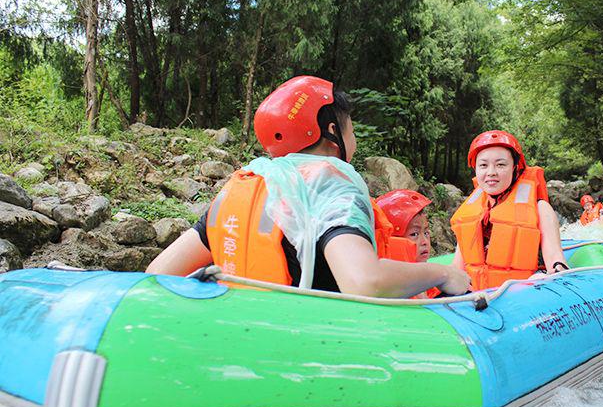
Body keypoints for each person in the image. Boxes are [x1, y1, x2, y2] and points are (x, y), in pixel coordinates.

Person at [146, 76, 470, 298]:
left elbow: (159, 272)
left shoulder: (245, 184)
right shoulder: (331, 185)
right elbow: (363, 282)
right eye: (351, 130)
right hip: (313, 353)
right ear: (331, 131)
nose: (354, 141)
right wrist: (442, 275)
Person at [450, 130, 568, 291]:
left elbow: (555, 258)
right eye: (483, 165)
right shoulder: (470, 214)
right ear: (476, 169)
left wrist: (558, 272)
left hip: (523, 295)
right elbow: (457, 268)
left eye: (501, 165)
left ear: (514, 168)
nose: (491, 172)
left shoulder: (541, 209)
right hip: (478, 297)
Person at [375, 190, 440, 299]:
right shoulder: (389, 286)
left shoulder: (430, 278)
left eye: (426, 233)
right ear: (394, 241)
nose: (424, 242)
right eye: (414, 234)